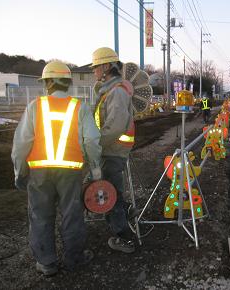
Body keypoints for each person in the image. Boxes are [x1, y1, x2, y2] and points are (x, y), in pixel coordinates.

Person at [11, 61, 102, 276]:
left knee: (40, 215)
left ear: (48, 82)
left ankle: (47, 263)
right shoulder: (80, 107)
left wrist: (19, 171)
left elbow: (21, 143)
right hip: (70, 171)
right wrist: (96, 169)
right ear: (68, 83)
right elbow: (91, 140)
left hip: (39, 172)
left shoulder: (35, 106)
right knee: (72, 214)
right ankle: (74, 259)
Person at [90, 47, 136, 253]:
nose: (94, 71)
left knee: (109, 195)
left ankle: (125, 238)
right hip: (111, 150)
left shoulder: (116, 92)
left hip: (112, 151)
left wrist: (94, 145)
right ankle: (126, 213)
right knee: (112, 192)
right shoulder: (110, 91)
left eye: (96, 67)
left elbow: (115, 126)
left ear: (107, 67)